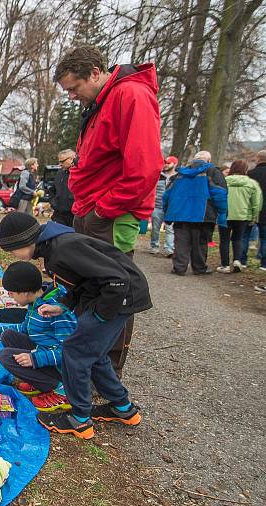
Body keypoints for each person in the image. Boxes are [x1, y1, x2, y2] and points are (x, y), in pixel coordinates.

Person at [54, 45, 162, 379]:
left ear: (95, 73)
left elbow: (144, 168)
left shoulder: (130, 96)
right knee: (91, 287)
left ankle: (106, 373)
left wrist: (104, 209)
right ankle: (85, 363)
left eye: (74, 88)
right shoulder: (101, 102)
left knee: (115, 292)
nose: (72, 96)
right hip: (92, 209)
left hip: (110, 215)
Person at [0, 212, 149, 439]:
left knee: (74, 351)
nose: (13, 255)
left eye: (12, 250)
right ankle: (123, 408)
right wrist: (64, 305)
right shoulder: (53, 249)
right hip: (111, 296)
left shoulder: (62, 249)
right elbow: (82, 281)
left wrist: (98, 316)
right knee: (95, 354)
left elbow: (117, 278)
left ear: (23, 242)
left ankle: (79, 419)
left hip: (118, 298)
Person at [0, 261, 77, 412]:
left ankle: (61, 390)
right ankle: (37, 379)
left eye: (11, 293)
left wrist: (34, 359)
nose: (9, 296)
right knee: (7, 335)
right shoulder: (35, 303)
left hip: (62, 370)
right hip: (44, 353)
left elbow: (69, 352)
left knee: (5, 356)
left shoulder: (57, 310)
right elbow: (24, 329)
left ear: (24, 292)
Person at [162, 153, 228, 276]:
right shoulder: (212, 172)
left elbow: (167, 195)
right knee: (200, 242)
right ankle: (199, 268)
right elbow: (219, 193)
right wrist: (222, 212)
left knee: (181, 241)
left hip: (180, 214)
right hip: (203, 214)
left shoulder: (179, 174)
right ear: (208, 160)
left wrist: (166, 212)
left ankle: (179, 268)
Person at [217, 160, 263, 273]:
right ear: (245, 170)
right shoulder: (252, 183)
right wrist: (253, 216)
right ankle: (237, 260)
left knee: (224, 240)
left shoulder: (223, 181)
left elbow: (217, 198)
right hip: (243, 215)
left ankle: (225, 265)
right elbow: (256, 202)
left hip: (225, 214)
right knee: (238, 238)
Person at [150, 156, 178, 256]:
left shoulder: (178, 177)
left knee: (170, 229)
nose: (165, 165)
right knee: (155, 228)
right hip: (157, 206)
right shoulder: (158, 175)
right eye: (165, 163)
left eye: (168, 163)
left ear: (175, 164)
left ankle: (169, 249)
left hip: (171, 208)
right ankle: (154, 246)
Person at [243, 150, 266, 272]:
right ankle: (264, 264)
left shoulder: (250, 174)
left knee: (245, 235)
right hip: (265, 212)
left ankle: (242, 260)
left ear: (258, 159)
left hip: (250, 210)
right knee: (265, 238)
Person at [50, 149, 75, 226]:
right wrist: (53, 203)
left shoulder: (81, 174)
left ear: (71, 159)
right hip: (59, 216)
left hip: (74, 216)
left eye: (62, 161)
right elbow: (52, 190)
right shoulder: (59, 173)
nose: (60, 164)